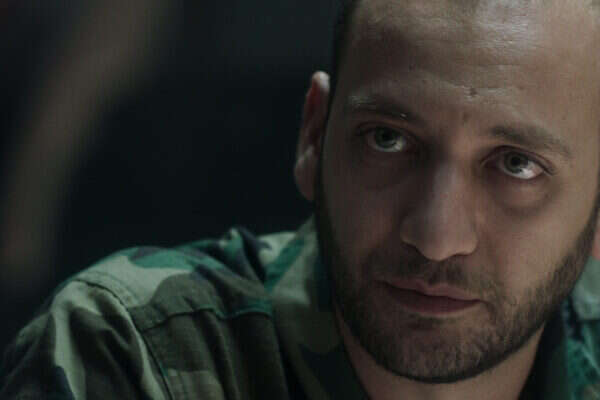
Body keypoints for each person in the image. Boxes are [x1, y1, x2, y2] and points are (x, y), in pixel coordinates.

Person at [3, 0, 600, 398]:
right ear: (314, 137)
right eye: (387, 139)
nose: (436, 235)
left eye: (517, 165)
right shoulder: (131, 353)